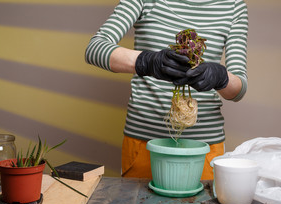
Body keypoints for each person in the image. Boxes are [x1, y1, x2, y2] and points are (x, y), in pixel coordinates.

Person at [85, 0, 249, 180]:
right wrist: (147, 62)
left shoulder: (233, 5)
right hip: (144, 143)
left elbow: (238, 90)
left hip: (205, 148)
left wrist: (221, 77)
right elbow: (95, 48)